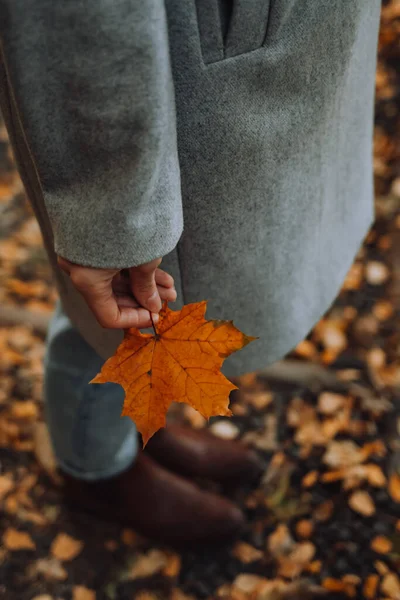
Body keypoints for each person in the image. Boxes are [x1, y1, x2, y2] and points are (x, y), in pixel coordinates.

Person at [0, 1, 381, 544]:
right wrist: (109, 216)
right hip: (168, 87)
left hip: (284, 52)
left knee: (133, 313)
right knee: (112, 311)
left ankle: (132, 425)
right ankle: (95, 467)